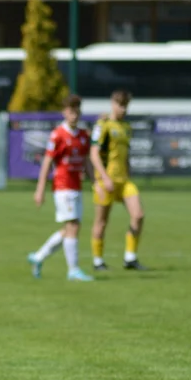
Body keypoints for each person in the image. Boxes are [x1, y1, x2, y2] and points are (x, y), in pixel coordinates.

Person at [28, 94, 94, 281]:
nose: (75, 115)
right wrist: (40, 189)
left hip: (76, 186)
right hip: (63, 186)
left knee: (70, 229)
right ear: (64, 112)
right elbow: (47, 162)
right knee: (73, 226)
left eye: (77, 111)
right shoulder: (58, 135)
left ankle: (38, 257)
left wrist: (94, 182)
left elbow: (86, 161)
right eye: (71, 111)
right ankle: (73, 270)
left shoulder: (82, 135)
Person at [89, 89, 146, 271]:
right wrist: (103, 178)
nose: (123, 109)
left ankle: (130, 258)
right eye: (120, 105)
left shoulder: (126, 128)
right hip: (106, 180)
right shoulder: (103, 124)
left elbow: (125, 154)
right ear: (113, 104)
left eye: (126, 105)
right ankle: (98, 261)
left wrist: (128, 172)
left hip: (124, 181)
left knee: (138, 215)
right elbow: (93, 153)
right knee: (101, 221)